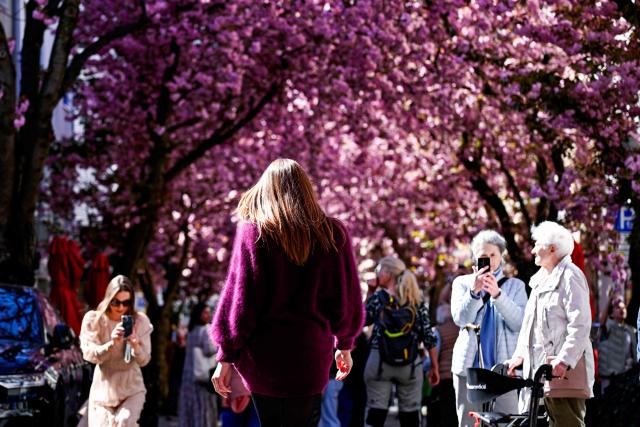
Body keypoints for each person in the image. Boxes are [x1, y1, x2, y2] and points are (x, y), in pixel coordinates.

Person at [210, 158, 364, 427]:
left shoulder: (254, 232)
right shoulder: (331, 233)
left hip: (264, 360)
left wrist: (226, 356)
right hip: (310, 357)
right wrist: (345, 344)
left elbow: (241, 301)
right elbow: (345, 297)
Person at [505, 221, 595, 427]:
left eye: (537, 244)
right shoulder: (539, 281)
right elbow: (529, 325)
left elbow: (580, 325)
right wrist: (519, 355)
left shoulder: (571, 275)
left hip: (563, 374)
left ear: (552, 248)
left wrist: (564, 360)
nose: (533, 249)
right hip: (540, 373)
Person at [451, 230, 527, 427]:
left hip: (503, 370)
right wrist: (474, 292)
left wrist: (498, 295)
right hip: (469, 368)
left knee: (506, 421)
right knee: (469, 422)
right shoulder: (461, 283)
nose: (489, 260)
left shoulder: (515, 286)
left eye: (493, 255)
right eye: (483, 256)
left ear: (501, 256)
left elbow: (519, 323)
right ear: (475, 258)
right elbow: (460, 319)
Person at [363, 256, 440, 427]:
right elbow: (428, 336)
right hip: (410, 365)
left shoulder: (378, 299)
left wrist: (370, 292)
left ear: (388, 273)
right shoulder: (417, 301)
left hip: (379, 364)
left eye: (379, 270)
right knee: (411, 416)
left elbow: (361, 320)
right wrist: (434, 366)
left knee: (375, 413)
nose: (377, 273)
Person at [79, 275, 153, 427]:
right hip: (103, 392)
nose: (120, 307)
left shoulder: (139, 321)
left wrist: (135, 345)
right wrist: (111, 343)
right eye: (116, 302)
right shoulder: (95, 320)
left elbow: (144, 360)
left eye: (126, 303)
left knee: (124, 421)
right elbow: (89, 354)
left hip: (132, 389)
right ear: (108, 300)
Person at [179, 303, 218, 427]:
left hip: (189, 375)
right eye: (205, 312)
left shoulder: (191, 330)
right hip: (203, 375)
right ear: (198, 314)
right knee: (204, 406)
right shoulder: (207, 329)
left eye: (208, 312)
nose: (208, 315)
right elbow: (209, 350)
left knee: (190, 406)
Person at [427, 283, 458, 427]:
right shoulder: (461, 328)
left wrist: (429, 368)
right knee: (456, 414)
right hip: (459, 376)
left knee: (445, 415)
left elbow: (434, 354)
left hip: (444, 378)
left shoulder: (439, 330)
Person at [597, 296, 637, 394]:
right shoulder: (608, 327)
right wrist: (609, 300)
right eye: (618, 308)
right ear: (611, 314)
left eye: (623, 308)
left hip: (626, 376)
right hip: (610, 377)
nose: (622, 309)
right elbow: (601, 322)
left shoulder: (631, 330)